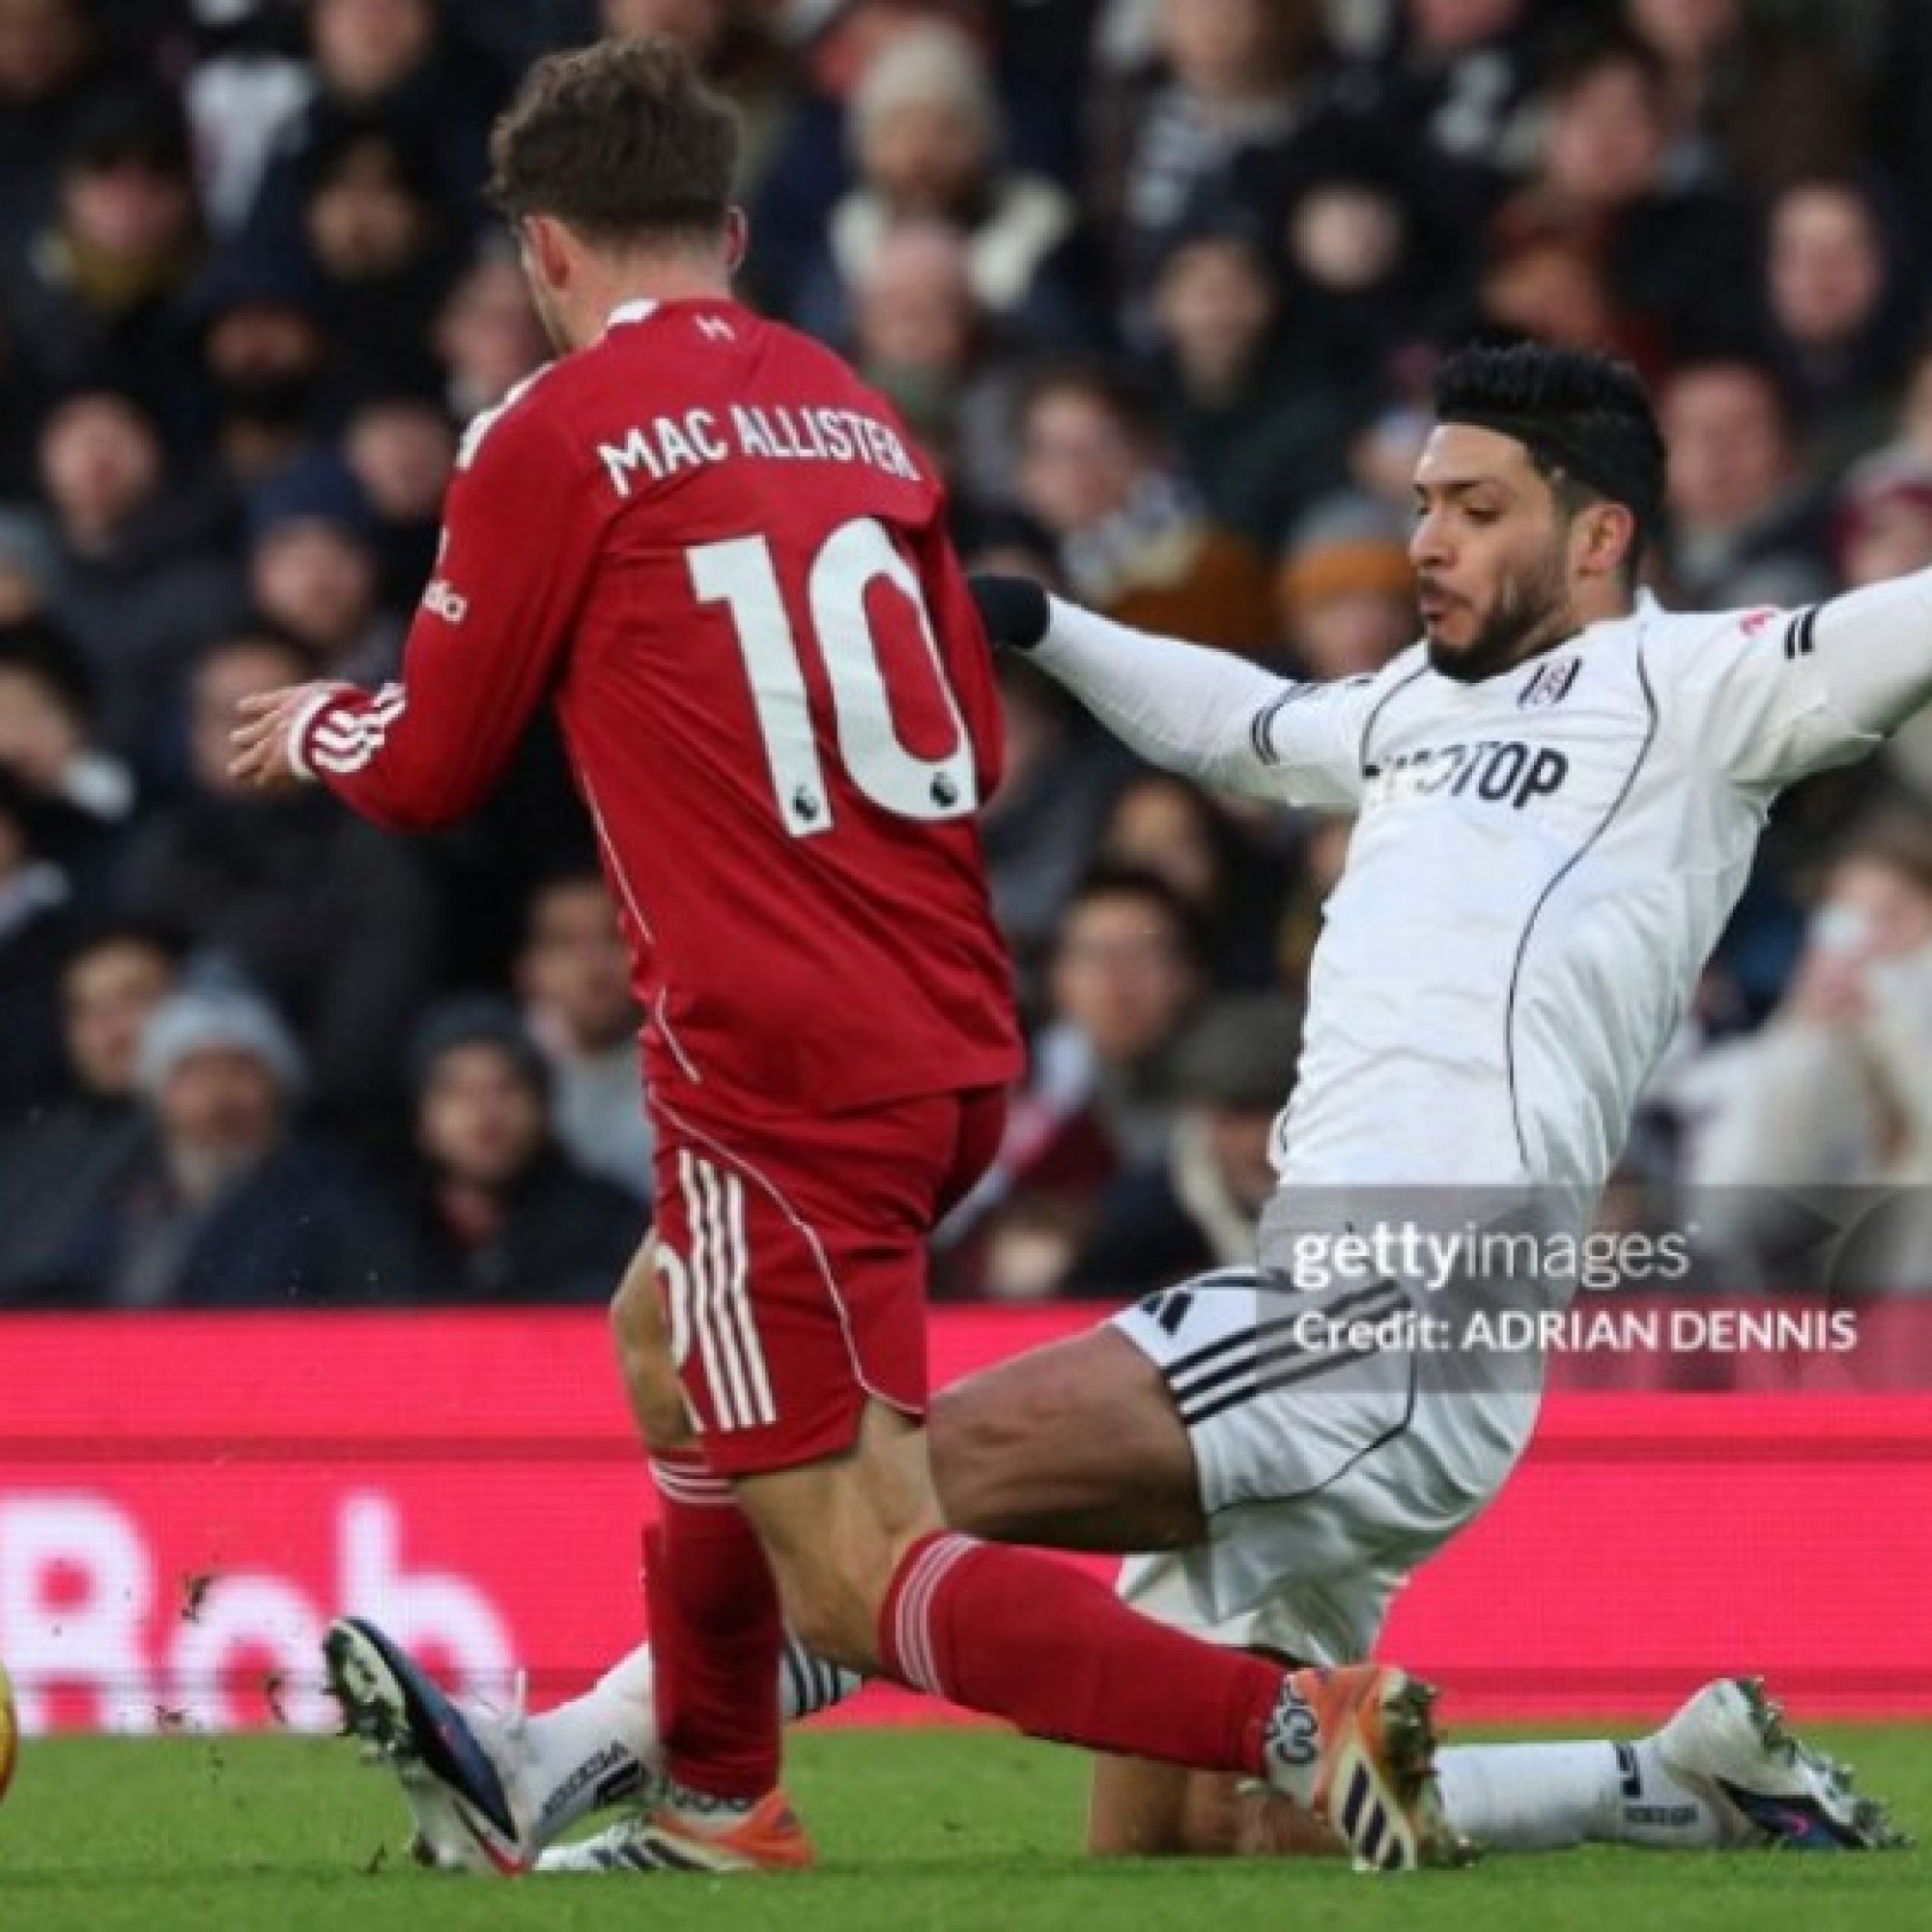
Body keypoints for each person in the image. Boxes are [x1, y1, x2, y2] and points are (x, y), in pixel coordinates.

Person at [318, 335, 1913, 1878]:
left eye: (1475, 510)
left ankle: (564, 1759)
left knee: (880, 1498)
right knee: (1197, 1839)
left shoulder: (1703, 690)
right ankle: (1678, 1780)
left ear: (1601, 532)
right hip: (1339, 1326)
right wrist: (1039, 622)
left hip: (1395, 1307)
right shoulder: (1413, 711)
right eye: (1423, 501)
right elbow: (1239, 724)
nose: (1425, 540)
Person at [233, 38, 1456, 1876]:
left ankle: (1296, 1719)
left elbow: (429, 770)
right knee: (668, 1338)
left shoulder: (546, 435)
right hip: (946, 1022)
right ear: (729, 224)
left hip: (769, 1061)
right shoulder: (858, 413)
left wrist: (322, 719)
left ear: (543, 252)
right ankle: (725, 1800)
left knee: (864, 1565)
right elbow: (962, 712)